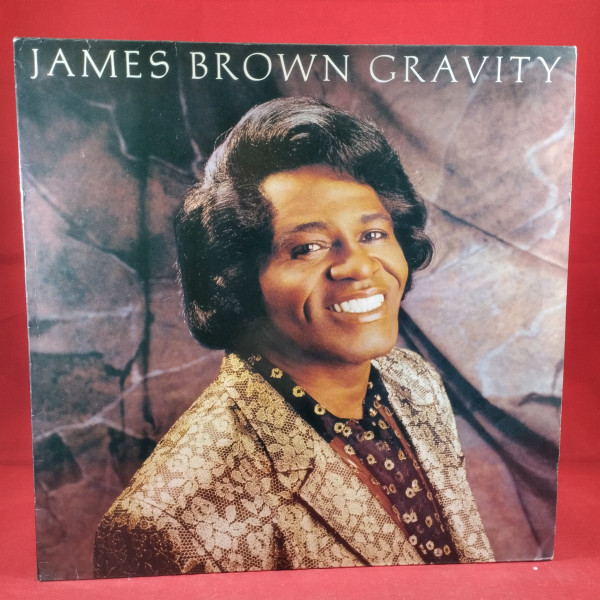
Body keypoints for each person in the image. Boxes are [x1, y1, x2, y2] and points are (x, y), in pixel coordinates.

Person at [93, 96, 494, 577]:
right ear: (238, 279)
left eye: (372, 234)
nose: (359, 266)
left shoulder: (415, 382)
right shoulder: (170, 522)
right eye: (308, 247)